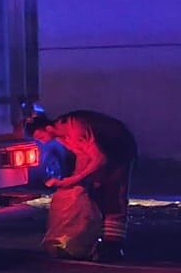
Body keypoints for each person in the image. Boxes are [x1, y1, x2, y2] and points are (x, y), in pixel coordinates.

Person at [31, 110, 137, 262]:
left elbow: (99, 159)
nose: (42, 141)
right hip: (104, 153)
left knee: (114, 197)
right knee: (94, 195)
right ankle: (94, 241)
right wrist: (76, 182)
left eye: (40, 137)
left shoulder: (75, 127)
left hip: (119, 149)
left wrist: (76, 179)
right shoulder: (62, 137)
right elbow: (82, 155)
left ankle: (113, 245)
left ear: (48, 128)